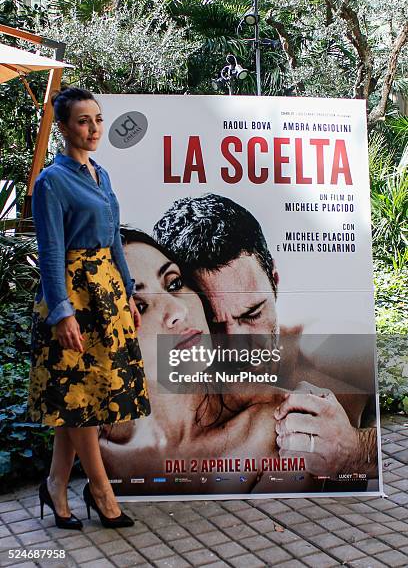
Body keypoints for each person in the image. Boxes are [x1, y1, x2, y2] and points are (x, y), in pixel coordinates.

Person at [153, 194, 378, 480]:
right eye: (213, 323)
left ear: (274, 280)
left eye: (251, 314)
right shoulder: (163, 380)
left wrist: (357, 451)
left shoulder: (338, 351)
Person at [27, 87, 150, 530]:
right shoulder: (52, 181)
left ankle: (56, 483)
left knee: (82, 398)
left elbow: (115, 238)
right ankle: (100, 490)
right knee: (81, 398)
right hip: (74, 297)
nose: (94, 128)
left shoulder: (102, 174)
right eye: (83, 121)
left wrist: (128, 294)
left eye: (98, 119)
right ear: (63, 127)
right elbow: (51, 250)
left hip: (108, 298)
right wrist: (61, 312)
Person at [100, 230, 303, 494]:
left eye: (174, 283)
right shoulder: (99, 446)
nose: (178, 310)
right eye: (138, 306)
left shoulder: (277, 424)